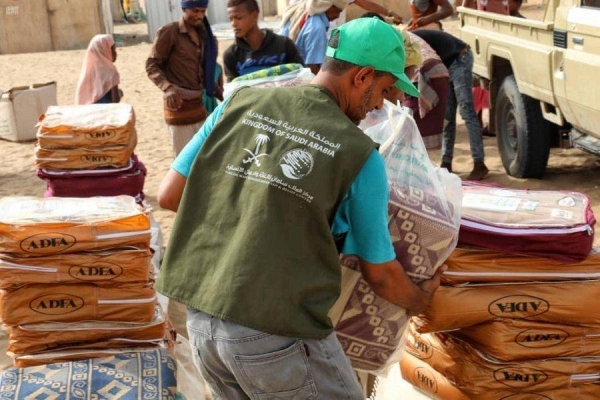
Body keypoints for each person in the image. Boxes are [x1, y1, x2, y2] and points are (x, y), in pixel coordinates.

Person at [155, 17, 442, 399]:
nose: (379, 105)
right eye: (384, 89)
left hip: (203, 322)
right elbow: (383, 276)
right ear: (362, 76)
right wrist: (427, 304)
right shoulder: (358, 155)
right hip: (275, 332)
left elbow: (170, 194)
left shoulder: (240, 103)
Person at [412, 29, 489, 180]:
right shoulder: (405, 39)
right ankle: (446, 162)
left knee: (467, 111)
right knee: (447, 115)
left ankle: (479, 163)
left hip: (459, 58)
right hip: (445, 64)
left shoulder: (407, 41)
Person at [146, 0, 220, 156]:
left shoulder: (203, 35)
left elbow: (201, 68)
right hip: (178, 109)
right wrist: (167, 88)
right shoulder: (170, 32)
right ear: (184, 9)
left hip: (198, 107)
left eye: (202, 11)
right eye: (195, 11)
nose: (199, 16)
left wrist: (214, 87)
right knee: (183, 161)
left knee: (203, 158)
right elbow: (152, 64)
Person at [224, 0, 304, 81]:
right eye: (231, 19)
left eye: (238, 18)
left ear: (254, 16)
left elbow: (301, 76)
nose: (233, 24)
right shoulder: (232, 55)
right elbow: (233, 89)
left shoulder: (284, 45)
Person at [280, 0, 347, 74]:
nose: (337, 16)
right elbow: (313, 67)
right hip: (300, 76)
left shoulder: (300, 12)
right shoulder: (317, 28)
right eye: (338, 12)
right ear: (329, 7)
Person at [75, 34, 121, 105]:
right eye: (113, 50)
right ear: (104, 51)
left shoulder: (88, 71)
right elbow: (115, 102)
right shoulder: (111, 73)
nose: (116, 53)